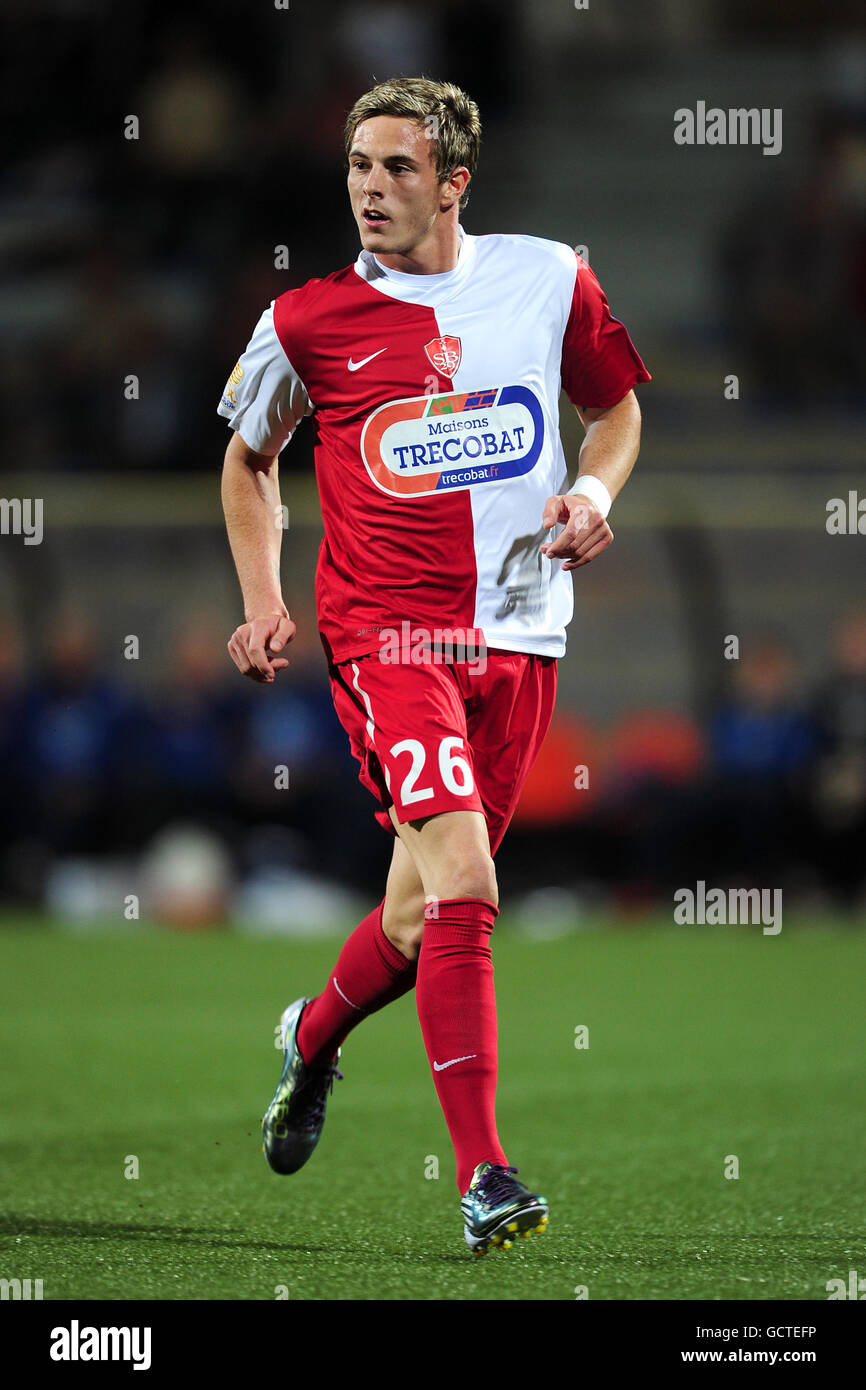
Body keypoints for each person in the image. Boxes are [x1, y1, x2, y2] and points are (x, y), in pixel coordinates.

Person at [218, 77, 650, 1256]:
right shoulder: (304, 321)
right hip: (388, 637)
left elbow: (612, 409)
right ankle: (484, 1176)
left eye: (399, 168)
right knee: (466, 884)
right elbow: (248, 461)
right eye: (359, 165)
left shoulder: (551, 276)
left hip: (519, 636)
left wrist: (592, 489)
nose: (371, 186)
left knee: (417, 918)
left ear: (453, 182)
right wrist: (263, 599)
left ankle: (310, 1037)